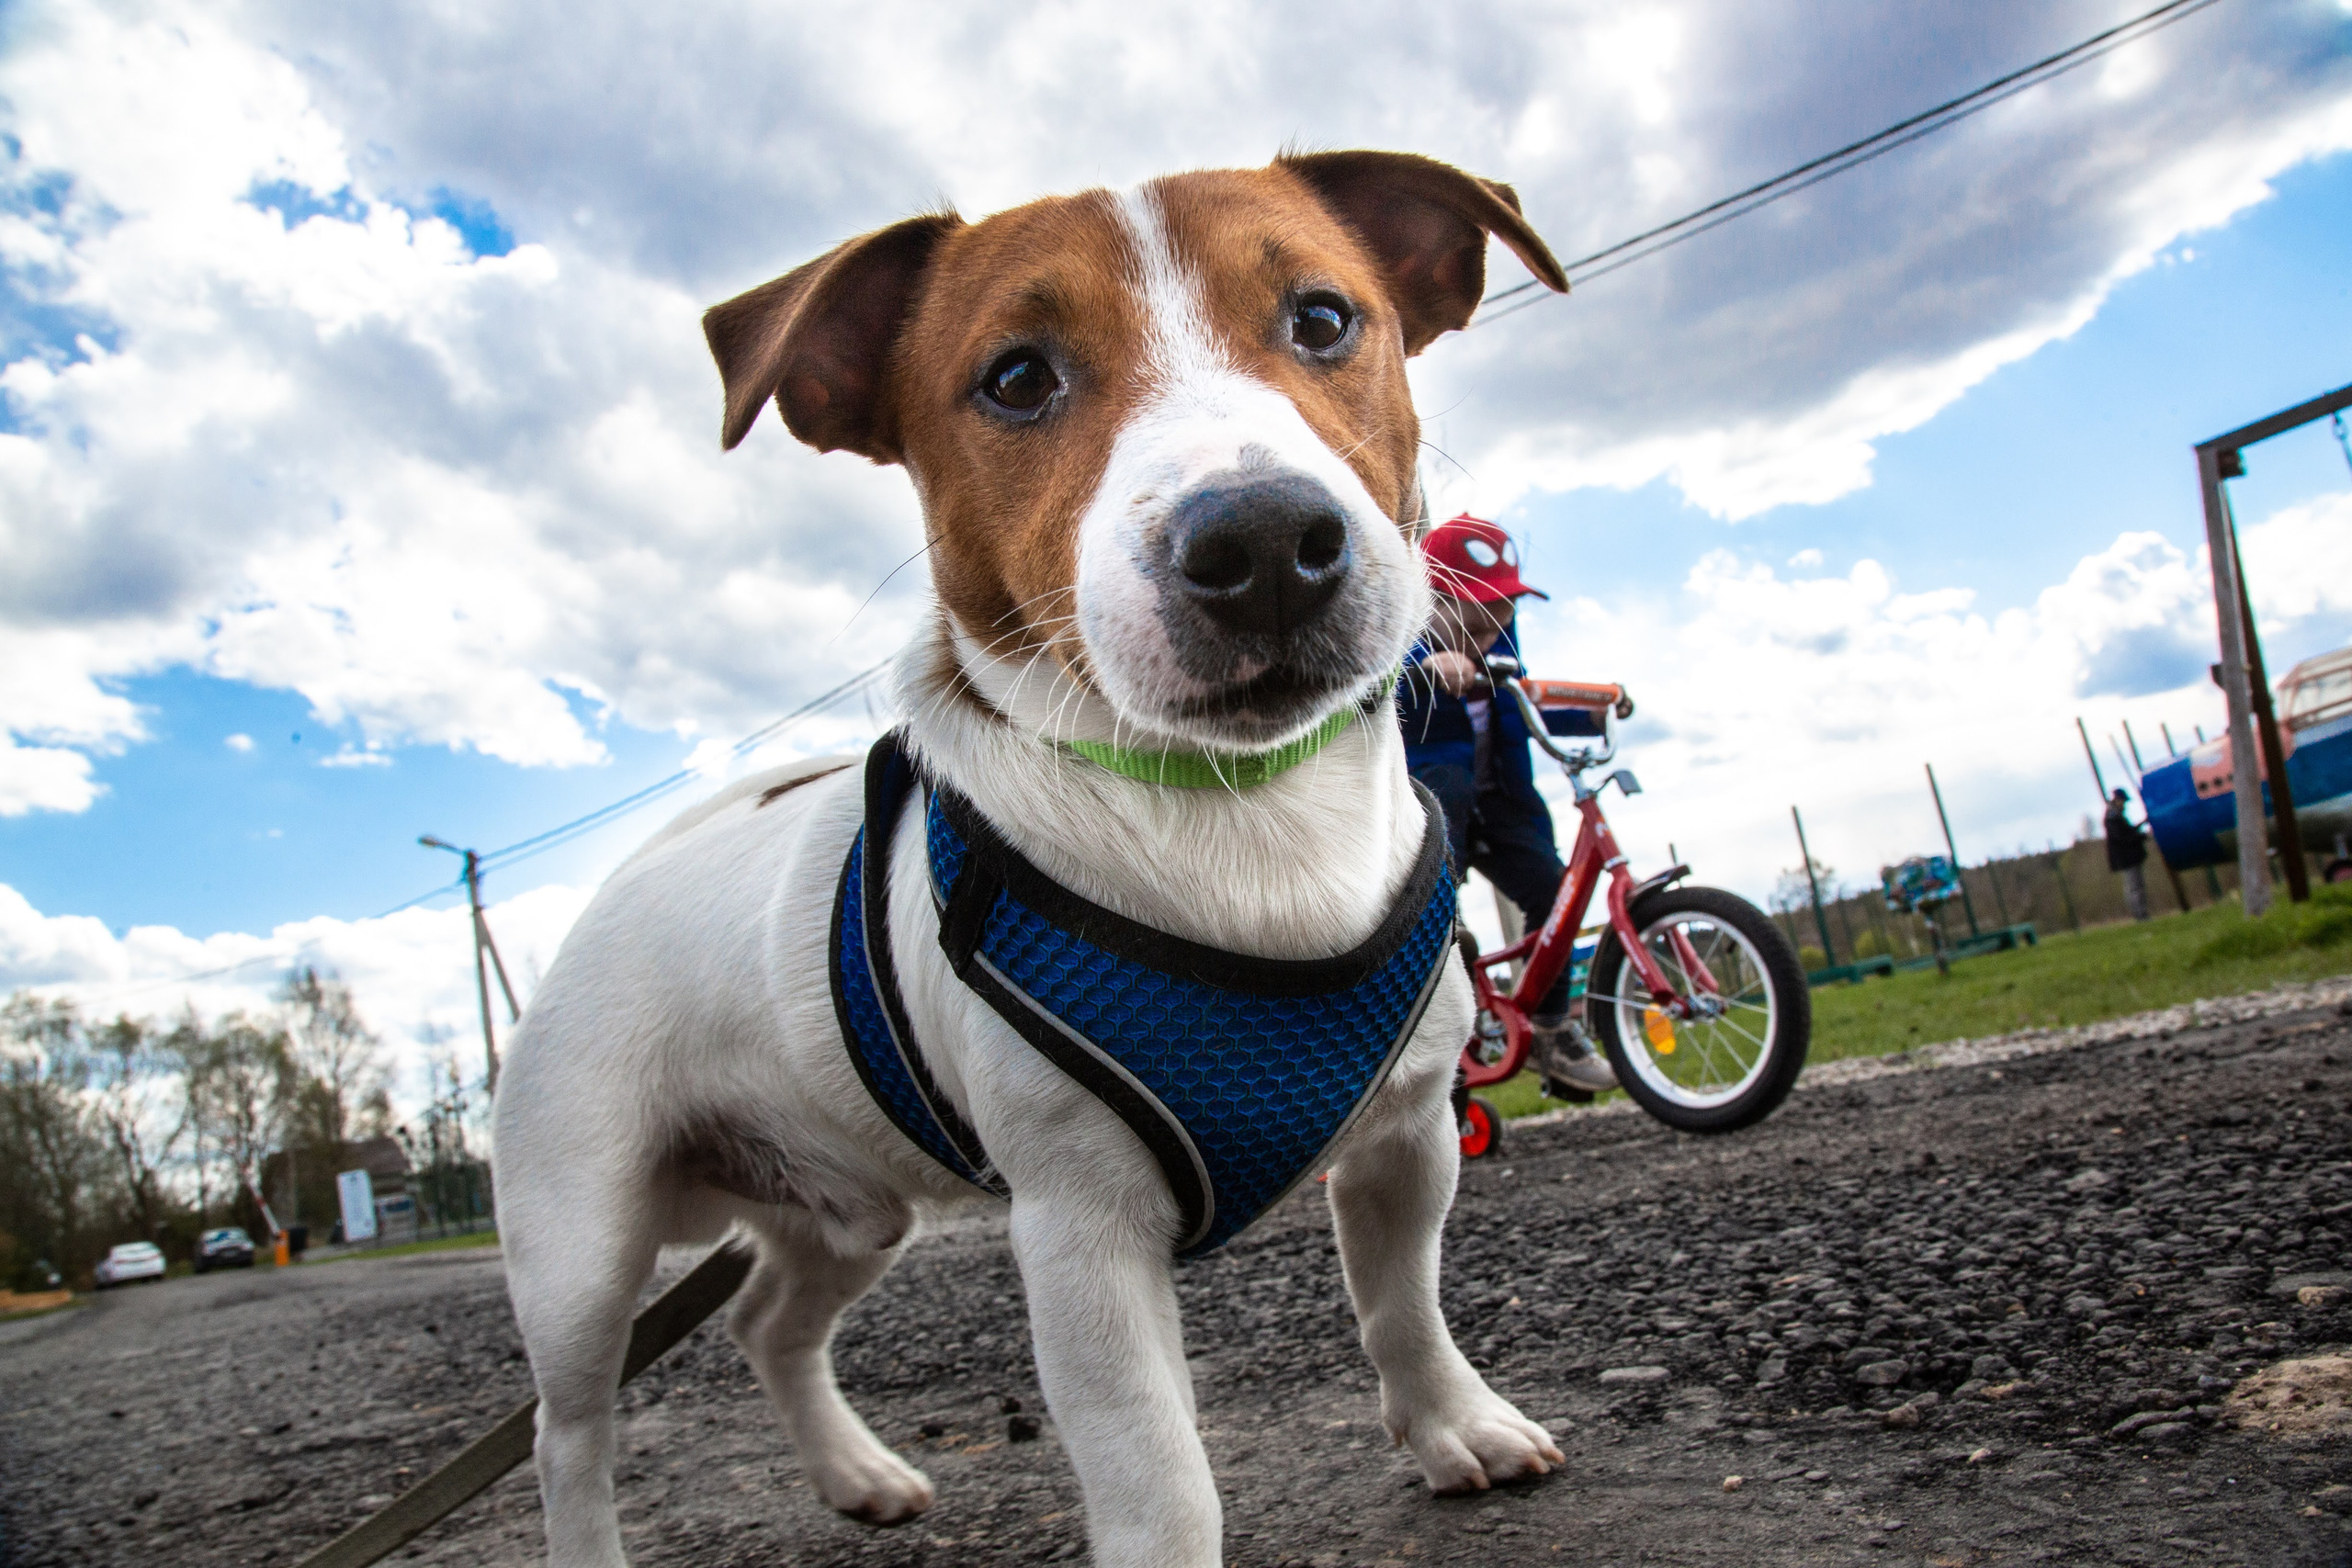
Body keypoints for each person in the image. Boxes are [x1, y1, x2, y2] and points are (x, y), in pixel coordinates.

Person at [1399, 514, 1616, 1096]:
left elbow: (1522, 699)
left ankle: (1552, 1028)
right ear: (1429, 602)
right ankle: (1444, 1028)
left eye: (1502, 614)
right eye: (1473, 617)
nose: (1490, 631)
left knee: (1554, 888)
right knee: (1436, 895)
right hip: (1437, 797)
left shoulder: (1500, 639)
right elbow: (1371, 693)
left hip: (1504, 796)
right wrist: (1422, 668)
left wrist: (1587, 715)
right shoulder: (1400, 642)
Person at [2104, 786, 2151, 921]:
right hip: (2127, 857)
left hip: (2127, 856)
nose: (2124, 804)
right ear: (2118, 800)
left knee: (2134, 886)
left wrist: (2140, 826)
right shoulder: (2113, 816)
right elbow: (2122, 837)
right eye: (2123, 801)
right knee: (2135, 886)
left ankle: (2140, 913)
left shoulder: (2115, 815)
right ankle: (2140, 915)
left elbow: (2126, 833)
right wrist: (2140, 836)